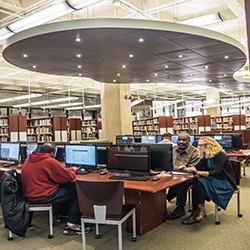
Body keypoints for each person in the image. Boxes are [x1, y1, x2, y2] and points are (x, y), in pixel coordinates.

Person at [21, 142, 89, 235]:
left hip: (28, 194)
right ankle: (72, 225)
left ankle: (62, 215)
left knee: (63, 188)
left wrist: (67, 170)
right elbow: (67, 177)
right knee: (76, 194)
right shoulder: (49, 161)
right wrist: (73, 170)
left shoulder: (29, 159)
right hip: (42, 195)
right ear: (53, 152)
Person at [181, 136, 237, 224]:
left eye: (201, 145)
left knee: (200, 182)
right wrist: (187, 169)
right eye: (198, 145)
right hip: (213, 179)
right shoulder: (205, 155)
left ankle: (198, 211)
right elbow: (197, 167)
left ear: (209, 145)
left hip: (224, 181)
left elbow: (217, 172)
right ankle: (197, 211)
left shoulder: (220, 155)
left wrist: (199, 172)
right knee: (197, 181)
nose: (199, 147)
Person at [167, 132, 200, 220]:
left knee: (180, 182)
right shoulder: (173, 149)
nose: (181, 142)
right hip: (172, 173)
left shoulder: (195, 152)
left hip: (187, 176)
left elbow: (193, 168)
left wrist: (185, 169)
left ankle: (180, 208)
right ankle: (159, 205)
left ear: (189, 141)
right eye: (179, 139)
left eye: (184, 140)